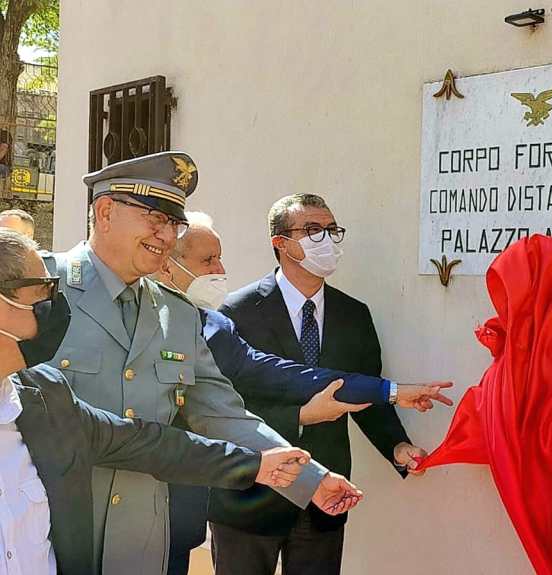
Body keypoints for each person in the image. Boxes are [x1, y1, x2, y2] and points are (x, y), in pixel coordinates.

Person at [42, 152, 363, 575]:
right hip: (48, 530)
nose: (166, 236)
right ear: (105, 212)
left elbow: (222, 413)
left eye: (173, 223)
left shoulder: (176, 314)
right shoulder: (42, 291)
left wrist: (311, 479)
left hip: (141, 540)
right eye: (155, 218)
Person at [0, 228, 320, 575]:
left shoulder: (42, 397)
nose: (55, 309)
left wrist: (258, 464)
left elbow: (147, 444)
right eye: (42, 295)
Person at [153, 211, 453, 575]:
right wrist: (300, 416)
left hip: (322, 497)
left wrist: (394, 428)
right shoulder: (234, 311)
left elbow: (333, 381)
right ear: (280, 243)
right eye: (312, 231)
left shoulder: (351, 313)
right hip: (247, 499)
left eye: (331, 230)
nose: (220, 269)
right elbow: (226, 411)